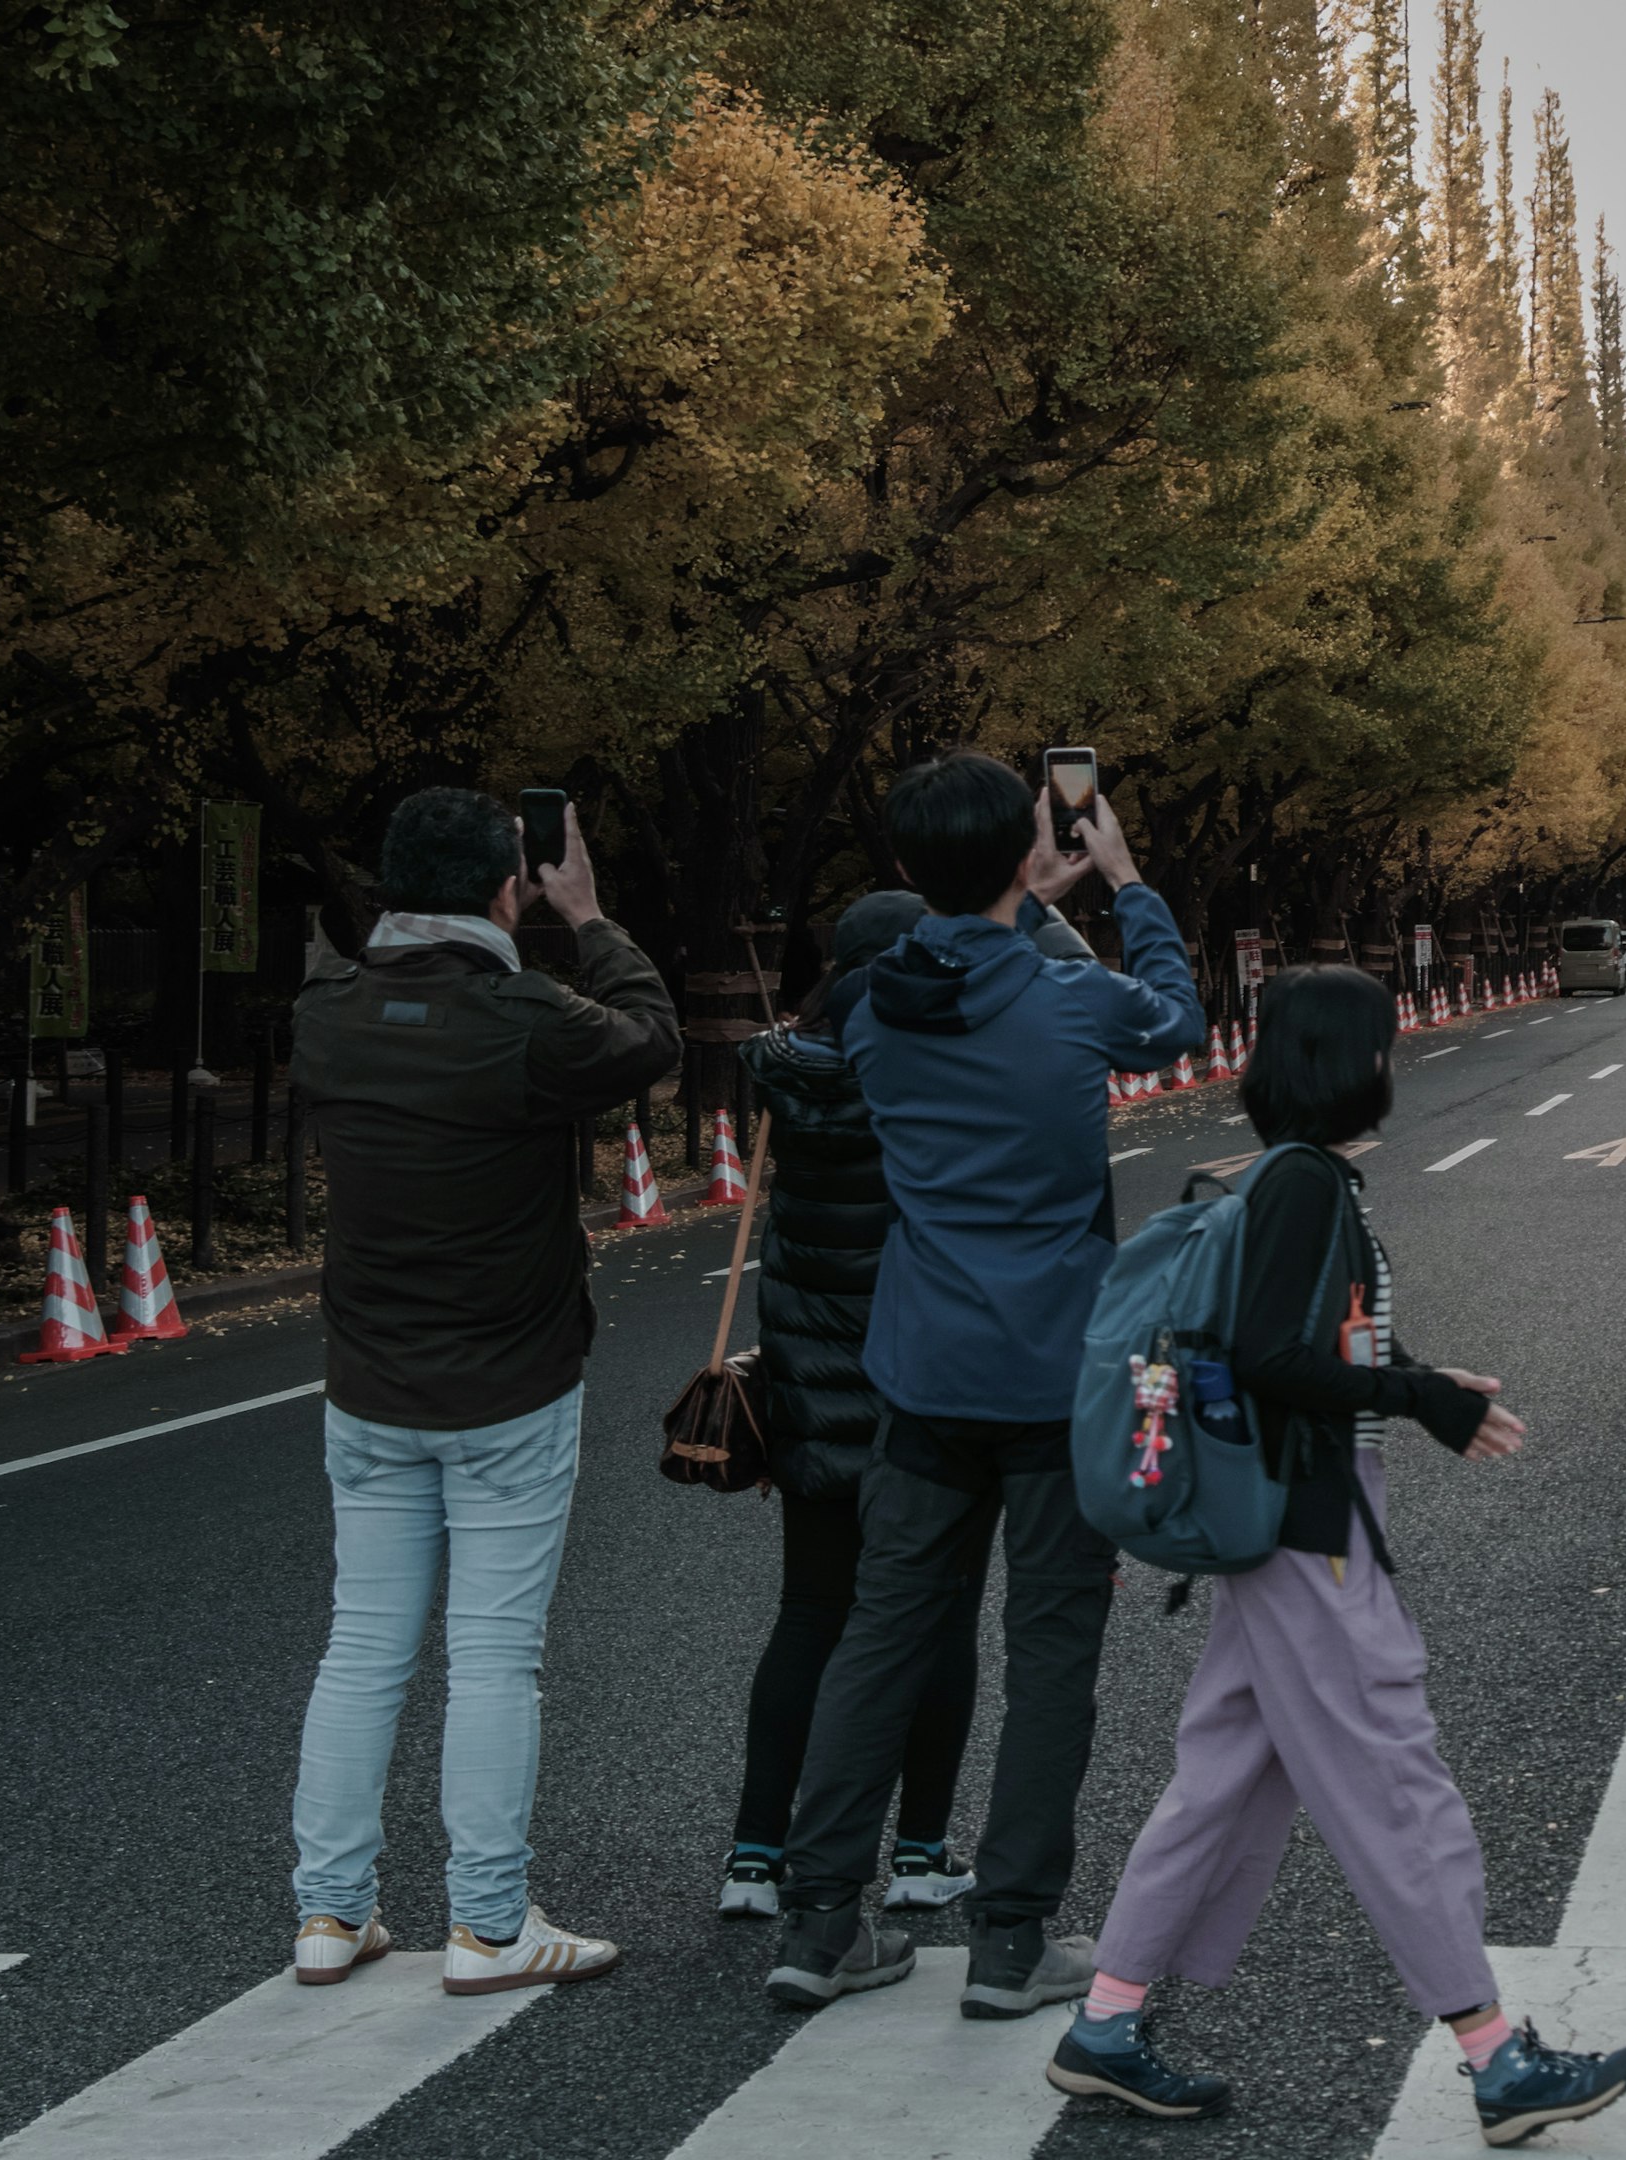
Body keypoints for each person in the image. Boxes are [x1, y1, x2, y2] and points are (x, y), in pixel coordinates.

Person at [1044, 967, 1626, 2142]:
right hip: (1306, 1529)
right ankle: (1494, 2057)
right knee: (1392, 1778)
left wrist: (1419, 1374)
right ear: (1345, 1062)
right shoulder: (1305, 1187)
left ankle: (1106, 2025)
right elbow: (1275, 1357)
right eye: (1379, 1047)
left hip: (1280, 1525)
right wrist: (1418, 1394)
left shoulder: (1291, 1181)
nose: (1391, 1066)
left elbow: (1307, 1336)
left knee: (1222, 1777)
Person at [765, 753, 1206, 2018]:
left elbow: (868, 1005)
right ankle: (1013, 1938)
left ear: (902, 872)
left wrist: (1012, 893)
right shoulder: (1072, 1000)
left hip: (921, 1363)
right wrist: (1117, 880)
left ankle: (817, 1920)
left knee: (884, 1631)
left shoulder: (866, 1008)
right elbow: (1174, 1017)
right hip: (1060, 1369)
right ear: (1029, 853)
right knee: (1053, 1649)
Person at [286, 789, 679, 1991]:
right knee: (494, 1658)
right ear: (511, 886)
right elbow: (652, 1038)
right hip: (508, 1384)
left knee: (361, 1649)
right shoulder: (525, 1020)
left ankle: (330, 1916)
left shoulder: (326, 1014)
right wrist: (594, 918)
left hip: (367, 1384)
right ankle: (491, 1927)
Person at [717, 889, 1077, 1918]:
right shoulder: (936, 1081)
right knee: (941, 1620)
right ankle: (921, 1854)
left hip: (810, 1404)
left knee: (811, 1619)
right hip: (928, 1400)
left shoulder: (793, 1082)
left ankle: (755, 1856)